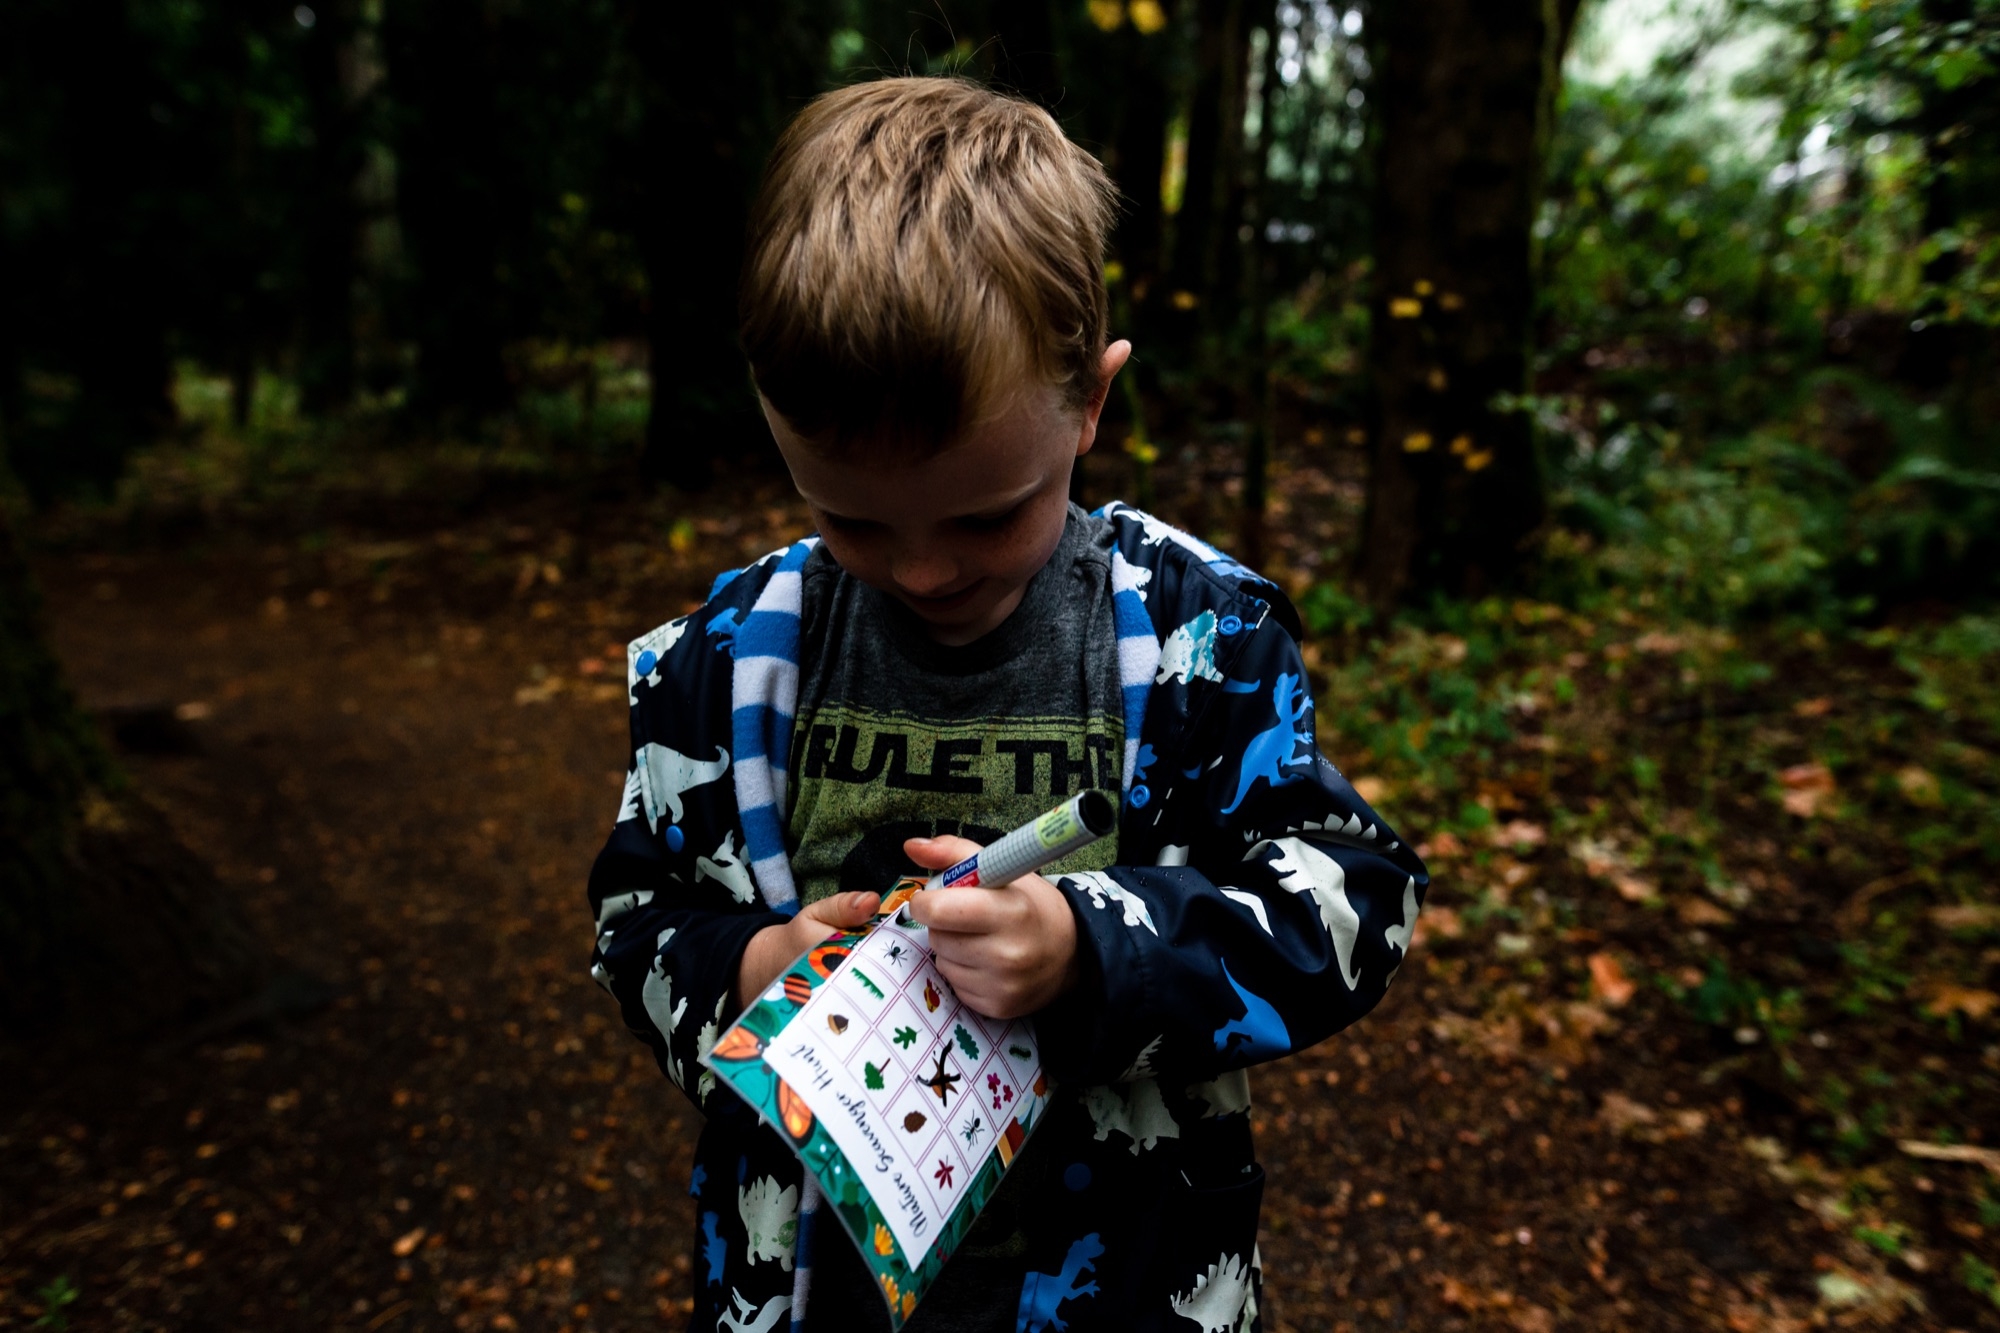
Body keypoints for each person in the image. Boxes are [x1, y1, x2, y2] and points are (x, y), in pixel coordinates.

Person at [586, 76, 1427, 1333]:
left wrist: (1095, 950)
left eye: (986, 514)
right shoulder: (720, 667)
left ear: (1091, 396)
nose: (925, 568)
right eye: (851, 519)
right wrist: (751, 967)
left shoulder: (1203, 641)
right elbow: (633, 916)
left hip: (1128, 1285)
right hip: (805, 1290)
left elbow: (1354, 904)